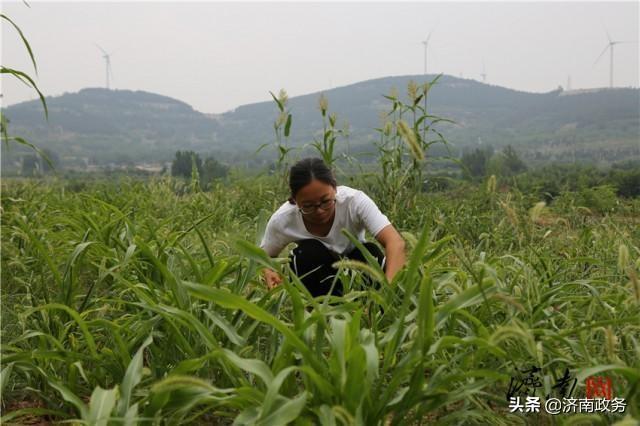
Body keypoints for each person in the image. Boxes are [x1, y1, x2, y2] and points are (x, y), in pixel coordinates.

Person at [260, 157, 406, 297]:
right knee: (306, 253)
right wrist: (269, 271)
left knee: (370, 252)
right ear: (294, 200)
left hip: (355, 267)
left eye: (325, 201)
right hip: (317, 276)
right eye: (308, 206)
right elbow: (262, 256)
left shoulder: (355, 202)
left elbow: (395, 242)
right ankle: (315, 311)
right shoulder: (283, 219)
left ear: (335, 188)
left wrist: (388, 289)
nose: (319, 211)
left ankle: (369, 307)